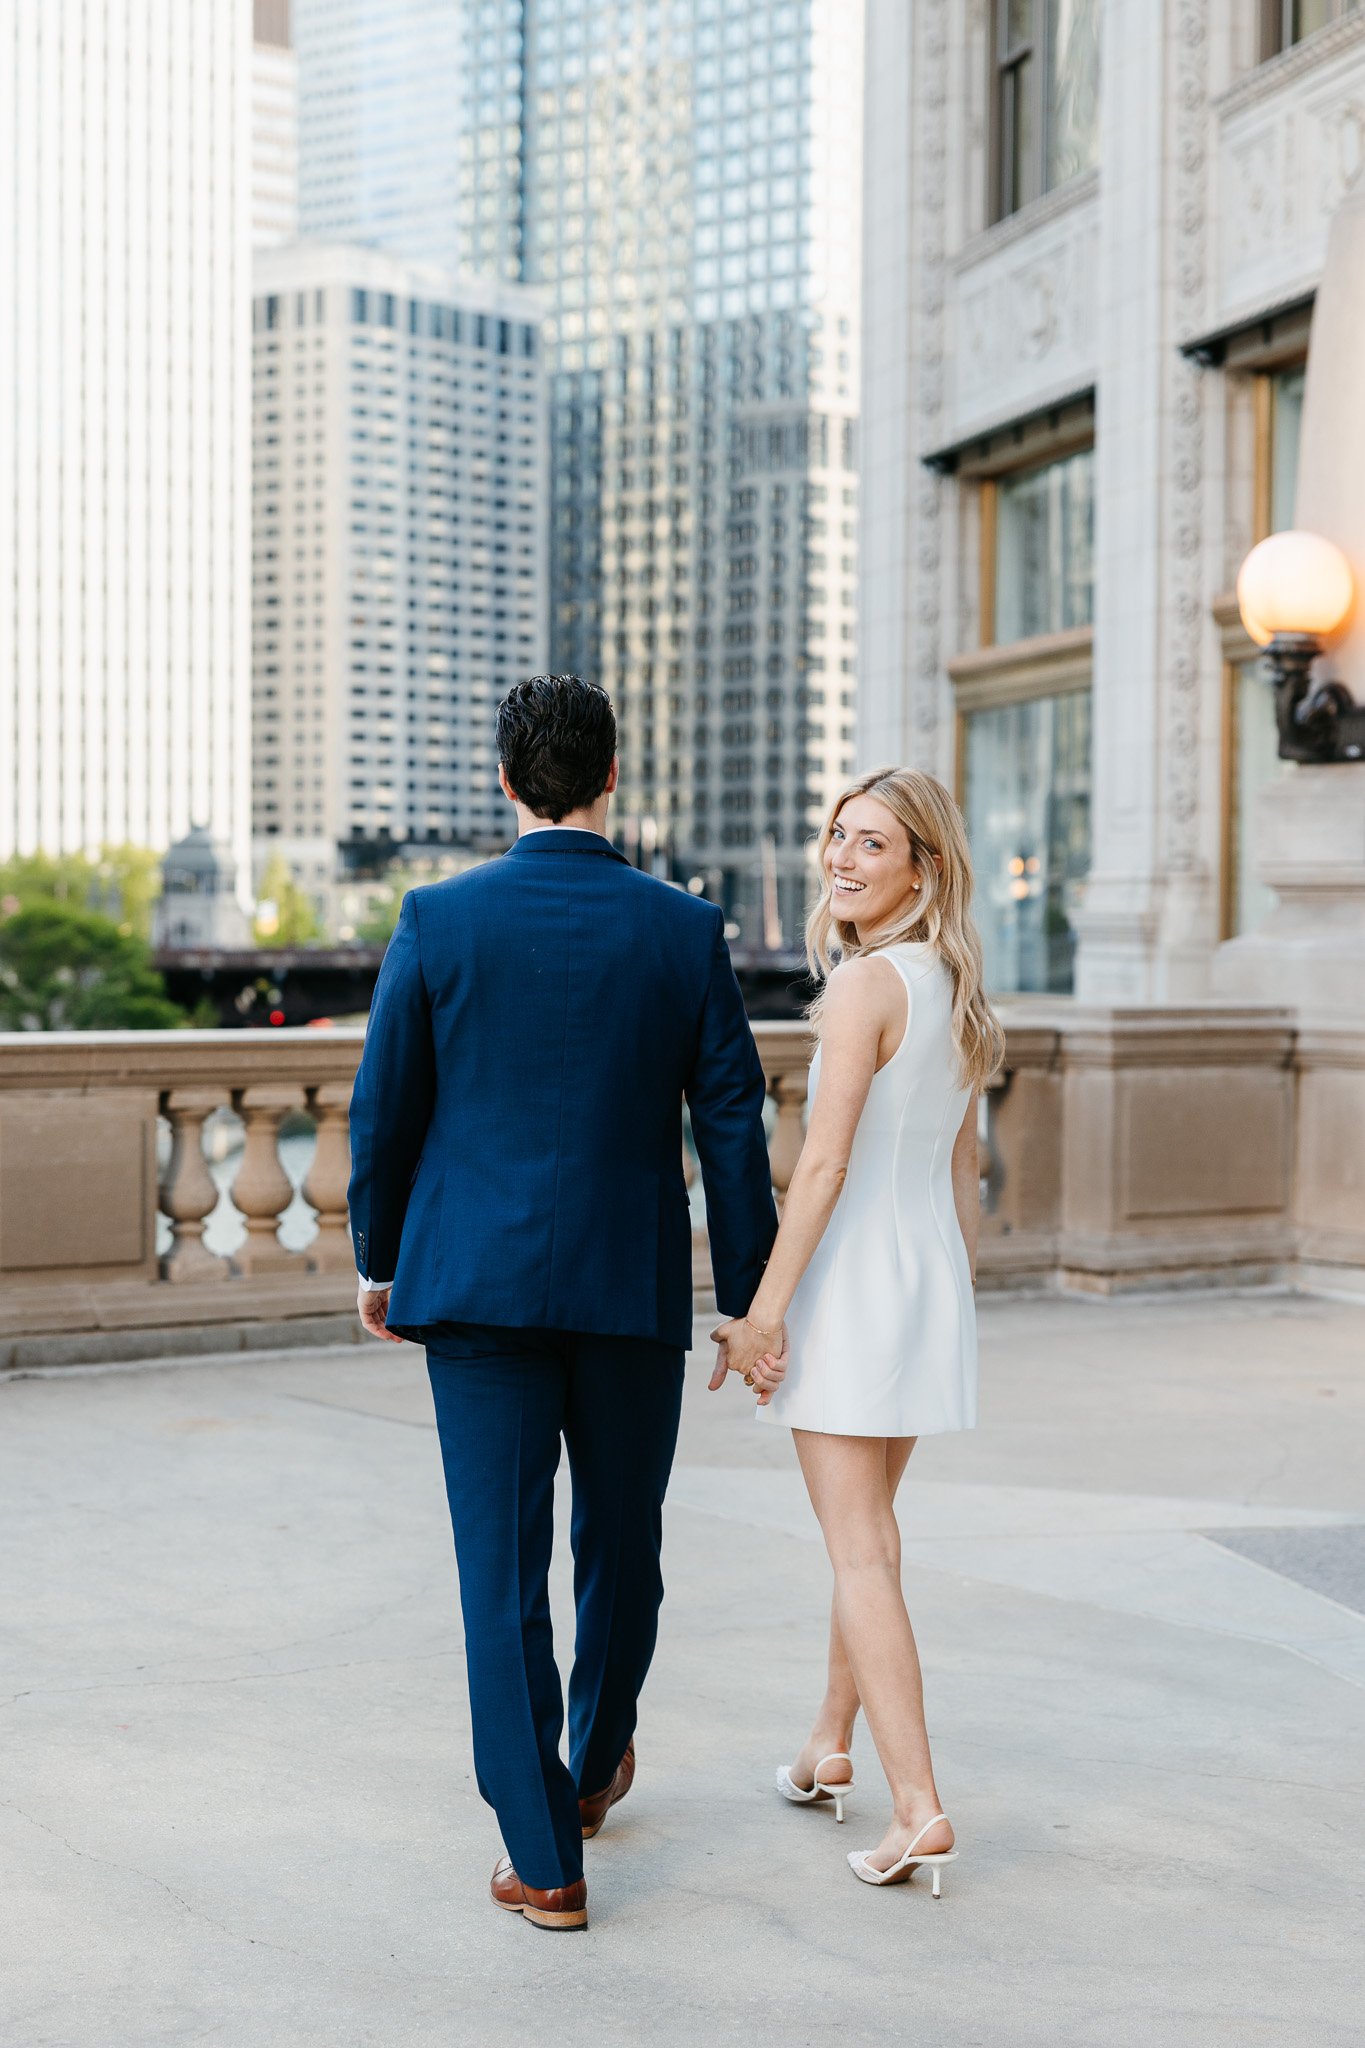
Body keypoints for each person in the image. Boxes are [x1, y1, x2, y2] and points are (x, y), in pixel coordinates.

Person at [347, 675, 777, 1933]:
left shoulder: (437, 916)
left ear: (503, 781)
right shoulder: (683, 929)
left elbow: (385, 1108)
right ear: (612, 777)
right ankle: (589, 1770)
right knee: (623, 1547)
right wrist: (745, 1297)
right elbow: (736, 1127)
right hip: (627, 1283)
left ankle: (544, 1855)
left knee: (499, 1572)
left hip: (473, 1287)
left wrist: (382, 1258)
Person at [710, 768, 1003, 1897]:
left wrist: (765, 1311)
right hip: (928, 1284)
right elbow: (963, 1168)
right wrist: (957, 1300)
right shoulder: (960, 986)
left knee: (860, 1549)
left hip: (858, 1289)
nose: (841, 856)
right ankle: (827, 1742)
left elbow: (823, 1164)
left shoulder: (863, 988)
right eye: (836, 835)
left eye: (871, 844)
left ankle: (918, 1804)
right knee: (870, 1534)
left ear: (920, 869)